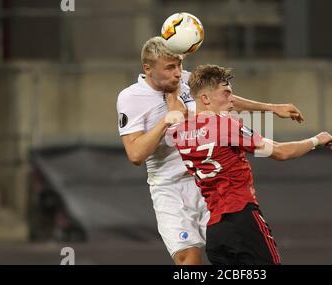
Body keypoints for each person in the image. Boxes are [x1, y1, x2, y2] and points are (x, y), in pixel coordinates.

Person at [116, 36, 305, 265]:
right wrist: (167, 120)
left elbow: (223, 97)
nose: (178, 73)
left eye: (179, 65)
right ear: (148, 68)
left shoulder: (186, 81)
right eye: (169, 67)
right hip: (169, 188)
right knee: (189, 259)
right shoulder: (131, 98)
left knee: (232, 253)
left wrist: (271, 108)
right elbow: (135, 154)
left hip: (206, 183)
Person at [168, 64, 332, 265]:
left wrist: (174, 81)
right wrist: (317, 140)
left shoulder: (178, 132)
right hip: (243, 220)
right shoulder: (225, 125)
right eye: (226, 93)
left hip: (215, 231)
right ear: (205, 98)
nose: (232, 99)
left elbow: (173, 103)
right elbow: (281, 152)